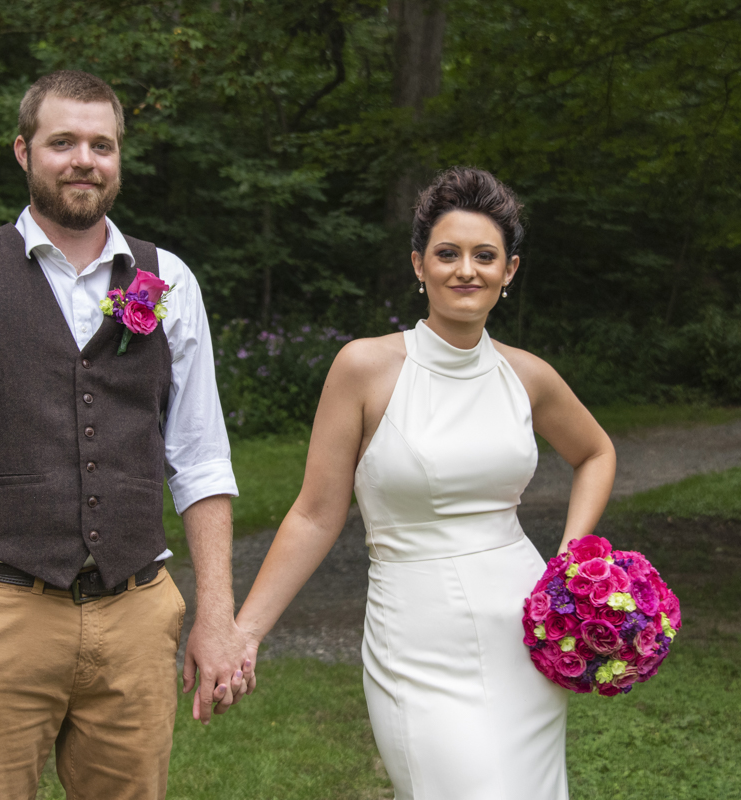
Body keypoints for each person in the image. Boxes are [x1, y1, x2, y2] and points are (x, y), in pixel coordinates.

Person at [0, 70, 251, 800]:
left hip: (137, 612)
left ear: (118, 159)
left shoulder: (166, 280)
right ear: (23, 152)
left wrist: (215, 613)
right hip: (0, 611)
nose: (84, 159)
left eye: (101, 145)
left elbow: (202, 459)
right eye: (62, 142)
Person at [233, 167, 617, 799]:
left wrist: (570, 563)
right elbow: (314, 513)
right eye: (448, 253)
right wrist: (246, 631)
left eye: (485, 256)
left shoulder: (528, 376)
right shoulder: (365, 368)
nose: (466, 270)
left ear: (509, 271)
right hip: (416, 636)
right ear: (419, 265)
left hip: (524, 629)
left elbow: (596, 451)